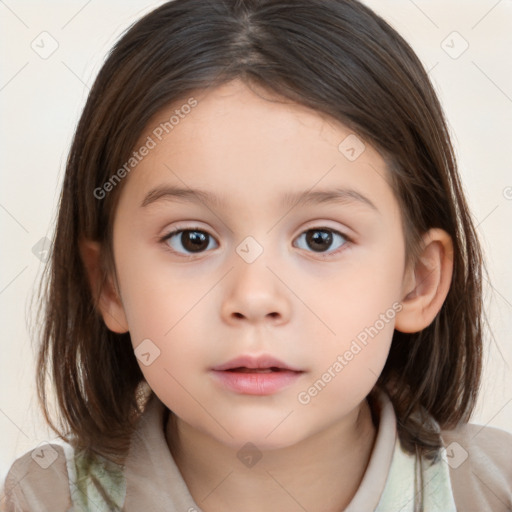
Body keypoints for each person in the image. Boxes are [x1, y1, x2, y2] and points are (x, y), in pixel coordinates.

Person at [2, 0, 511, 510]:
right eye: (192, 239)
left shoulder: (493, 491)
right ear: (108, 283)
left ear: (417, 281)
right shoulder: (42, 500)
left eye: (320, 239)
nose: (254, 298)